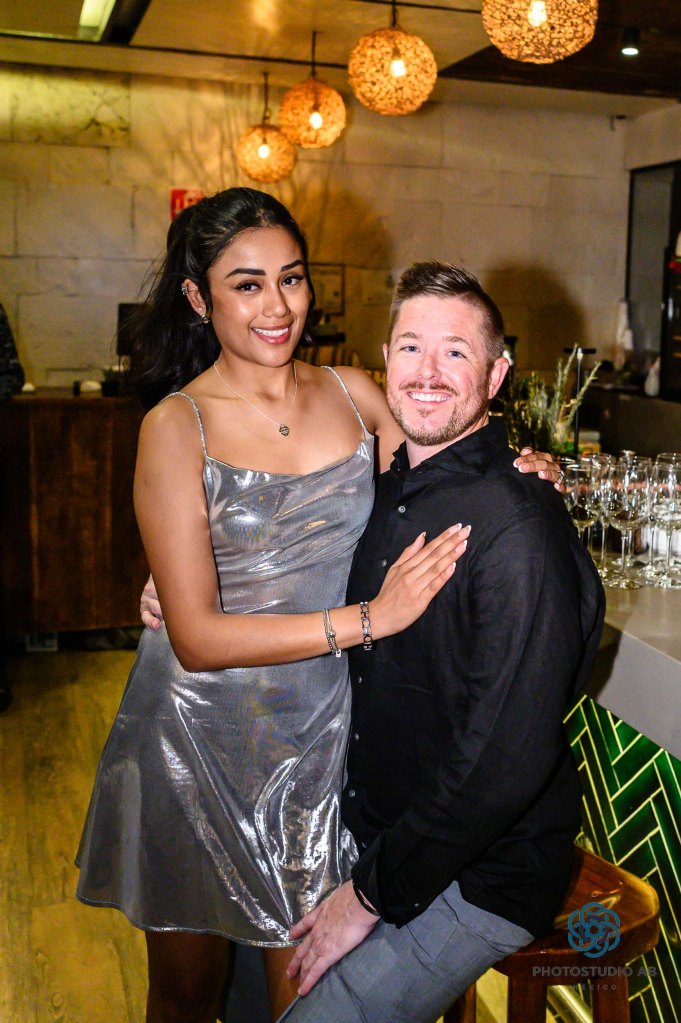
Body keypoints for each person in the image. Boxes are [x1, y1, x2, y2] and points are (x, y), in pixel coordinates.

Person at [78, 187, 559, 1023]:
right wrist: (370, 618)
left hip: (317, 743)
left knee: (305, 993)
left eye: (291, 279)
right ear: (198, 297)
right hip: (195, 739)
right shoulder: (176, 425)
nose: (277, 306)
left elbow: (446, 462)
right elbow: (195, 638)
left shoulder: (353, 393)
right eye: (247, 284)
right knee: (185, 995)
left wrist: (531, 465)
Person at [279, 262, 605, 1023]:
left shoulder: (517, 525)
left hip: (479, 873)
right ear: (383, 360)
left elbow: (503, 761)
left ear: (495, 375)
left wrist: (368, 895)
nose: (427, 372)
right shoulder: (383, 488)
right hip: (379, 833)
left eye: (455, 352)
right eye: (410, 347)